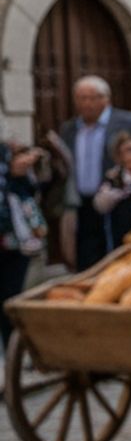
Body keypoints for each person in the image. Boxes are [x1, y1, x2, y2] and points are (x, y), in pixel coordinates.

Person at [59, 76, 131, 270]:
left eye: (92, 98)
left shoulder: (129, 123)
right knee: (87, 258)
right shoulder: (69, 129)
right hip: (84, 204)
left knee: (120, 256)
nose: (87, 103)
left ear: (106, 99)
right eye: (81, 98)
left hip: (121, 203)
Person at [0, 141, 46, 354]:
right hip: (7, 244)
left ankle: (15, 348)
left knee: (15, 296)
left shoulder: (24, 183)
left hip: (20, 248)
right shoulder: (8, 182)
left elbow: (36, 200)